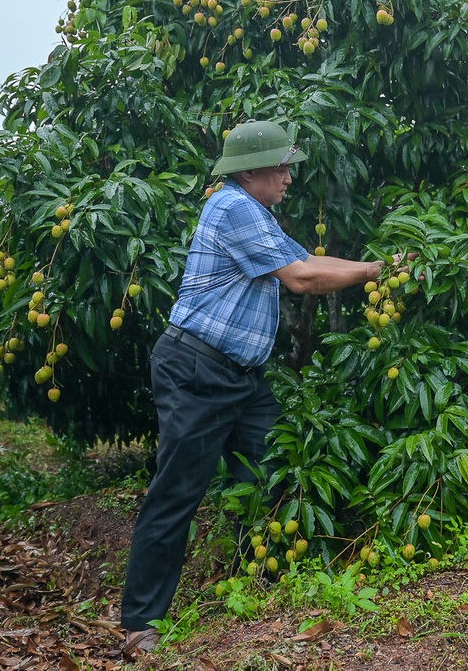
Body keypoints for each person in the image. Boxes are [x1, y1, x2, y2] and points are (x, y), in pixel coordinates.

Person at [120, 119, 404, 657]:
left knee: (283, 467)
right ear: (251, 171)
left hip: (240, 379)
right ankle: (140, 623)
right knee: (178, 491)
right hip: (197, 371)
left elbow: (308, 261)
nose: (289, 176)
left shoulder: (258, 214)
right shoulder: (231, 208)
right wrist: (371, 270)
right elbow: (303, 280)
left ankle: (273, 580)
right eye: (281, 166)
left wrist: (383, 267)